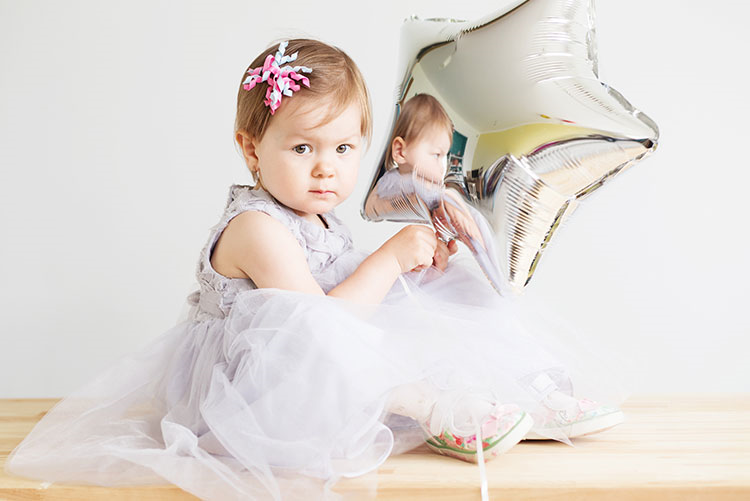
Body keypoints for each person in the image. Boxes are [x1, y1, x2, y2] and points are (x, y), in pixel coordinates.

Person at [5, 39, 626, 501]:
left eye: (345, 148)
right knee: (361, 317)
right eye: (303, 148)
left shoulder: (323, 220)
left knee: (447, 286)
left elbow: (353, 296)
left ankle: (527, 389)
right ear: (252, 149)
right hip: (250, 394)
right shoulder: (256, 227)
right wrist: (387, 259)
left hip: (323, 349)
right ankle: (442, 409)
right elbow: (317, 326)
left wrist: (418, 266)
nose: (326, 169)